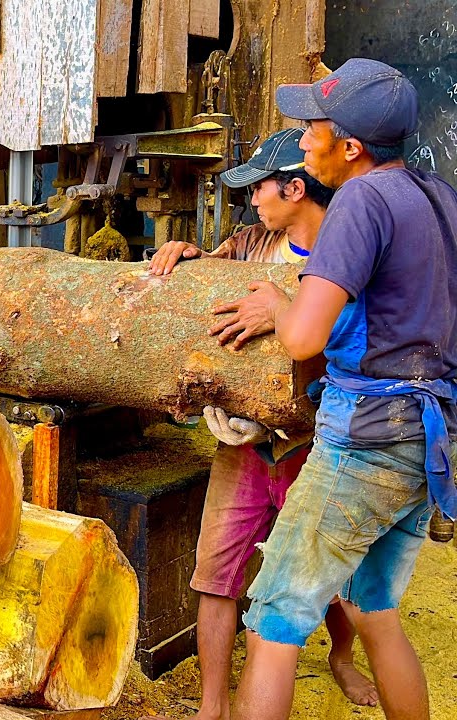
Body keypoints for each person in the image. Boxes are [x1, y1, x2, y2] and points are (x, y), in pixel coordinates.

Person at [210, 58, 457, 720]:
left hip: (364, 441)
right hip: (426, 439)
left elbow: (303, 339)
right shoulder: (437, 195)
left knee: (275, 621)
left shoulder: (360, 202)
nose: (306, 138)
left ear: (350, 147)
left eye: (315, 126)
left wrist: (274, 304)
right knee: (374, 609)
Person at [148, 129, 376, 719]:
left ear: (295, 189)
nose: (251, 200)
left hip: (319, 444)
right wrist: (187, 257)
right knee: (215, 573)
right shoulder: (251, 242)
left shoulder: (348, 250)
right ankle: (212, 705)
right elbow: (209, 275)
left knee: (336, 584)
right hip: (243, 445)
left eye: (259, 188)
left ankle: (342, 659)